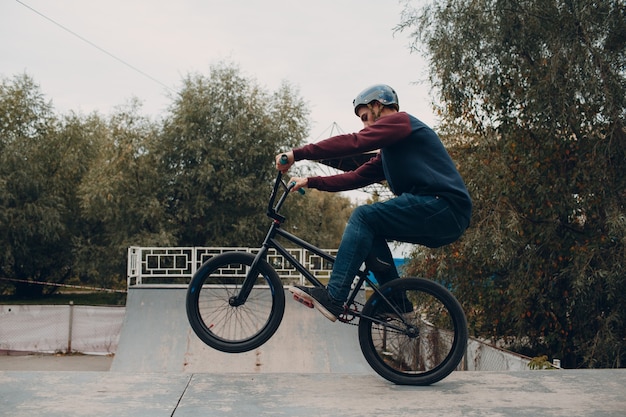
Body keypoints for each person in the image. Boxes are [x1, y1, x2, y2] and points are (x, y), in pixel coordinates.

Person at [275, 84, 472, 322]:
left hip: (444, 206)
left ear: (378, 106)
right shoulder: (390, 152)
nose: (365, 126)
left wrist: (298, 154)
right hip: (440, 214)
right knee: (369, 231)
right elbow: (355, 177)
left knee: (363, 216)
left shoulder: (401, 121)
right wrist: (310, 181)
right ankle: (398, 304)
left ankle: (335, 296)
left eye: (366, 118)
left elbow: (355, 142)